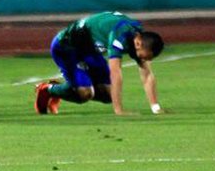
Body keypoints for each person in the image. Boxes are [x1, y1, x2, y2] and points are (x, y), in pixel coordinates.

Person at [35, 12, 165, 116]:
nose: (142, 60)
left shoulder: (139, 36)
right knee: (85, 94)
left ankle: (71, 87)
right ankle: (48, 89)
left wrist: (156, 107)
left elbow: (147, 75)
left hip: (89, 50)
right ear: (138, 43)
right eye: (142, 56)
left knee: (109, 95)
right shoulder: (120, 36)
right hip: (66, 48)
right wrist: (119, 110)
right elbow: (115, 74)